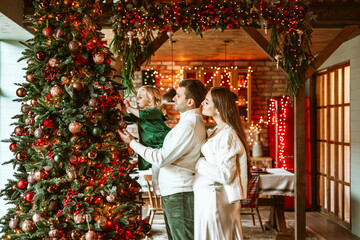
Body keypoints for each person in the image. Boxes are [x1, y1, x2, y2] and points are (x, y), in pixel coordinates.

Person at [118, 79, 207, 240]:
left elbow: (160, 158)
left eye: (178, 96)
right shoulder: (188, 122)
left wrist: (132, 142)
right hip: (175, 192)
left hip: (179, 193)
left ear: (190, 102)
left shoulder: (188, 126)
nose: (173, 99)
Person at [194, 87, 250, 240]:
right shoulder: (217, 130)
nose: (202, 104)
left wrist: (201, 164)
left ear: (218, 108)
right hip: (209, 198)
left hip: (216, 199)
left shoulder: (227, 135)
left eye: (207, 102)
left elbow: (225, 174)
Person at [121, 85, 171, 194]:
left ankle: (158, 188)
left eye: (140, 97)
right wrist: (123, 109)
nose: (136, 99)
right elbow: (127, 117)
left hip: (159, 141)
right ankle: (157, 187)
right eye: (137, 97)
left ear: (150, 101)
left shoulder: (154, 111)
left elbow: (141, 114)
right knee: (154, 166)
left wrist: (129, 107)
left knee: (157, 165)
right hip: (150, 143)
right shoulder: (141, 114)